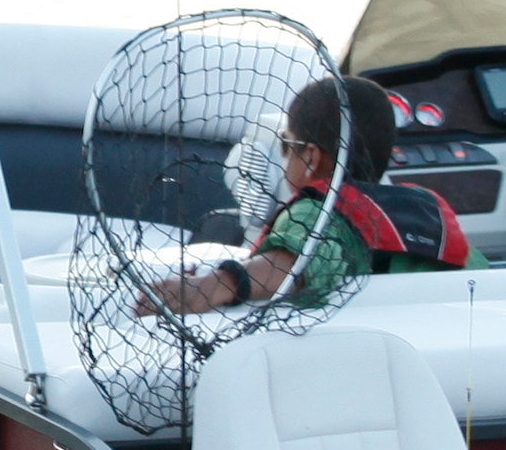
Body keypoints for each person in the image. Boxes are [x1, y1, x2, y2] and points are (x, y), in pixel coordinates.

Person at [146, 75, 466, 315]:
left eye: (287, 146)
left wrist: (212, 285)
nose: (284, 157)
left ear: (310, 158)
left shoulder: (316, 211)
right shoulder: (428, 213)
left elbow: (298, 261)